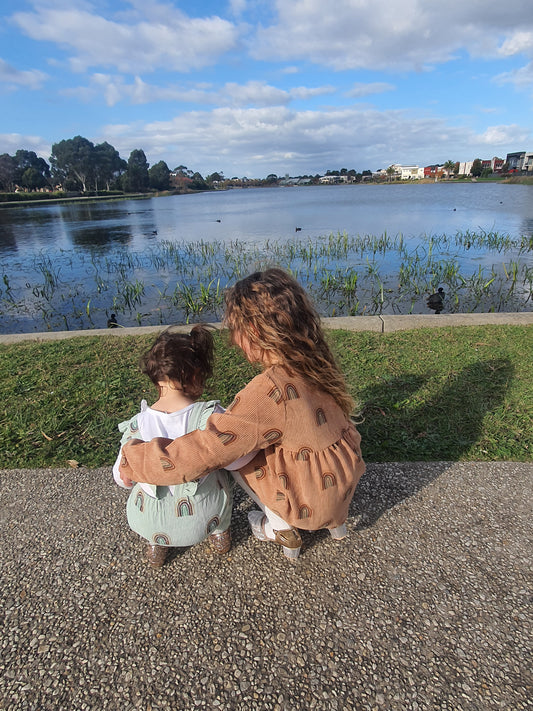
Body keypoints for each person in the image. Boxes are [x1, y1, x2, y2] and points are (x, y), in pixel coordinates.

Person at [119, 268, 366, 561]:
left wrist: (134, 459)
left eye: (236, 329)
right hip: (343, 483)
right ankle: (336, 526)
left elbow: (204, 450)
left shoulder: (268, 391)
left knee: (237, 459)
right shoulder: (313, 360)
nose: (234, 339)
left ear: (256, 331)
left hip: (309, 503)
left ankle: (280, 528)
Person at [113, 325, 255, 568]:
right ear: (195, 376)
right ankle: (220, 534)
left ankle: (156, 545)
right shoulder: (208, 417)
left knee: (146, 484)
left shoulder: (138, 424)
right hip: (202, 516)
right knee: (221, 469)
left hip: (146, 519)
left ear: (156, 378)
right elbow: (238, 459)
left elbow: (120, 477)